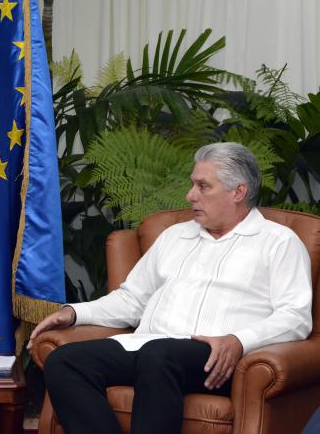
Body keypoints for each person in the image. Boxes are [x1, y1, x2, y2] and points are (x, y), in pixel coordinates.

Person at [28, 142, 313, 434]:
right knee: (64, 361)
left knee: (159, 354)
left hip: (216, 358)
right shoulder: (174, 236)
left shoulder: (278, 242)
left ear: (238, 192)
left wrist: (238, 340)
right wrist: (74, 313)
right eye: (193, 185)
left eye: (203, 186)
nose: (191, 195)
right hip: (149, 347)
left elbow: (295, 317)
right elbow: (132, 300)